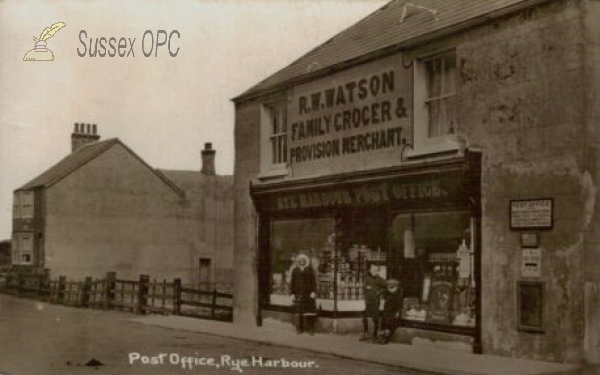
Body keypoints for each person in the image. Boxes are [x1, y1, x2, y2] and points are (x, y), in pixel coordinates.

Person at [290, 252, 318, 335]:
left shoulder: (310, 270)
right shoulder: (295, 270)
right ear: (298, 261)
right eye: (300, 260)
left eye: (303, 260)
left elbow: (313, 281)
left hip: (308, 293)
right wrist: (292, 293)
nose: (301, 261)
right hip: (299, 293)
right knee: (300, 313)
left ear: (306, 261)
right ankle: (300, 328)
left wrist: (313, 291)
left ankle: (311, 329)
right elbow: (292, 282)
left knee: (310, 313)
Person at [359, 262, 386, 341]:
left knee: (375, 318)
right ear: (370, 270)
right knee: (364, 317)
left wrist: (379, 292)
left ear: (378, 271)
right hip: (368, 301)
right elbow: (364, 287)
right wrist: (365, 288)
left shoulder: (380, 279)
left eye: (376, 270)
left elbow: (385, 287)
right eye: (373, 270)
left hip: (375, 301)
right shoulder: (367, 278)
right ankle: (365, 333)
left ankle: (375, 334)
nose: (374, 272)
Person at [374, 278, 403, 344]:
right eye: (389, 288)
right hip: (386, 311)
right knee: (383, 322)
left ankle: (386, 338)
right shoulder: (386, 293)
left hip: (393, 312)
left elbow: (399, 306)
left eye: (392, 288)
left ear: (396, 287)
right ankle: (381, 336)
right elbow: (382, 297)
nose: (390, 290)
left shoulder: (398, 296)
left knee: (389, 324)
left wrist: (398, 312)